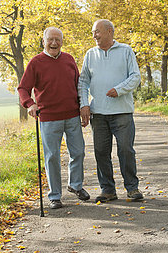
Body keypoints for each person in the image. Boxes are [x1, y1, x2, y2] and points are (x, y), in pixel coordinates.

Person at [18, 27, 90, 210]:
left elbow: (78, 84)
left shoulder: (69, 59)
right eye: (50, 39)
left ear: (62, 41)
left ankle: (75, 186)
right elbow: (23, 88)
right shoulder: (35, 62)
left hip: (72, 115)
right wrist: (29, 104)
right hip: (48, 118)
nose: (54, 43)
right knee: (52, 157)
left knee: (78, 152)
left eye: (58, 39)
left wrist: (83, 107)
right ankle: (55, 196)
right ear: (44, 41)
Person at [78, 19, 143, 203]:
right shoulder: (90, 54)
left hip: (122, 111)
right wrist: (84, 104)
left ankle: (132, 188)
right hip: (98, 114)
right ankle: (107, 190)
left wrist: (119, 89)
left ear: (109, 31)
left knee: (125, 150)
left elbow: (135, 77)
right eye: (93, 32)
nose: (94, 36)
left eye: (97, 32)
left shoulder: (125, 50)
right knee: (101, 151)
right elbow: (83, 82)